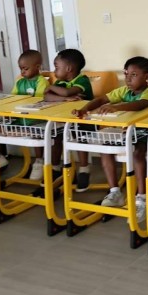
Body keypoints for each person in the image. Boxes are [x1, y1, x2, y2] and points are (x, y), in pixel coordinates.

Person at [73, 56, 148, 223]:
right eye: (126, 74)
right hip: (126, 132)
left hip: (146, 134)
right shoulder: (123, 91)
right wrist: (84, 109)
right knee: (106, 148)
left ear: (147, 77)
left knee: (138, 154)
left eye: (133, 75)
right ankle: (115, 192)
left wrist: (116, 107)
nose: (128, 78)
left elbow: (140, 105)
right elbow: (101, 100)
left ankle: (141, 197)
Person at [43, 49, 93, 190]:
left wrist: (52, 88)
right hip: (64, 120)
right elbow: (46, 97)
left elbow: (67, 92)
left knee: (79, 138)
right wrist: (63, 99)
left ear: (69, 69)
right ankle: (55, 168)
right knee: (57, 137)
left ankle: (84, 169)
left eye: (57, 67)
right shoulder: (61, 82)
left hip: (84, 120)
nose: (54, 71)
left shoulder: (82, 80)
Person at [9, 49, 50, 181]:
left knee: (37, 133)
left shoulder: (41, 81)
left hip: (35, 119)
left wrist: (23, 99)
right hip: (20, 117)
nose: (22, 72)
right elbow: (12, 97)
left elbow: (38, 99)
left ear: (37, 67)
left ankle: (39, 161)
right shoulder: (19, 82)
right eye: (20, 69)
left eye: (25, 68)